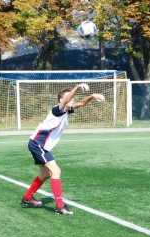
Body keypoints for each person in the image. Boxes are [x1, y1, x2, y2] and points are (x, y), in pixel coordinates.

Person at [21, 83, 105, 215]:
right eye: (69, 98)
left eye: (72, 99)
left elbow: (81, 103)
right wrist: (77, 87)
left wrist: (92, 96)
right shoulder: (57, 110)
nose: (72, 100)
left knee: (46, 174)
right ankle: (60, 206)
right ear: (61, 100)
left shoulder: (66, 110)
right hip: (38, 144)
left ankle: (27, 197)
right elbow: (66, 100)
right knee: (56, 171)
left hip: (39, 145)